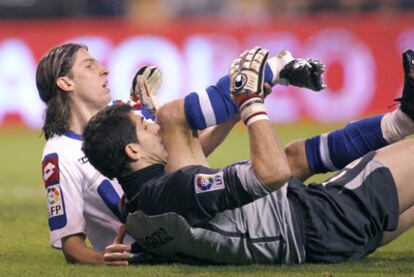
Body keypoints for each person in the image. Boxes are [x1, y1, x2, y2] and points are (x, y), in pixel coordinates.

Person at [83, 47, 414, 264]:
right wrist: (251, 104)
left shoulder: (138, 205)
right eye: (144, 126)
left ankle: (403, 120)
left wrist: (140, 256)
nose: (153, 126)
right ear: (132, 150)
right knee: (279, 160)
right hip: (324, 219)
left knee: (294, 154)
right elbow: (271, 174)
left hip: (320, 240)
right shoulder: (172, 190)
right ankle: (402, 122)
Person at [36, 43, 324, 265]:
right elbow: (72, 246)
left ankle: (270, 73)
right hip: (156, 241)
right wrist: (107, 260)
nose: (104, 69)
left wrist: (238, 110)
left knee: (290, 159)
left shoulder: (123, 116)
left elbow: (182, 157)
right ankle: (277, 66)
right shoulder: (59, 155)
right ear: (65, 83)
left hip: (188, 223)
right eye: (89, 65)